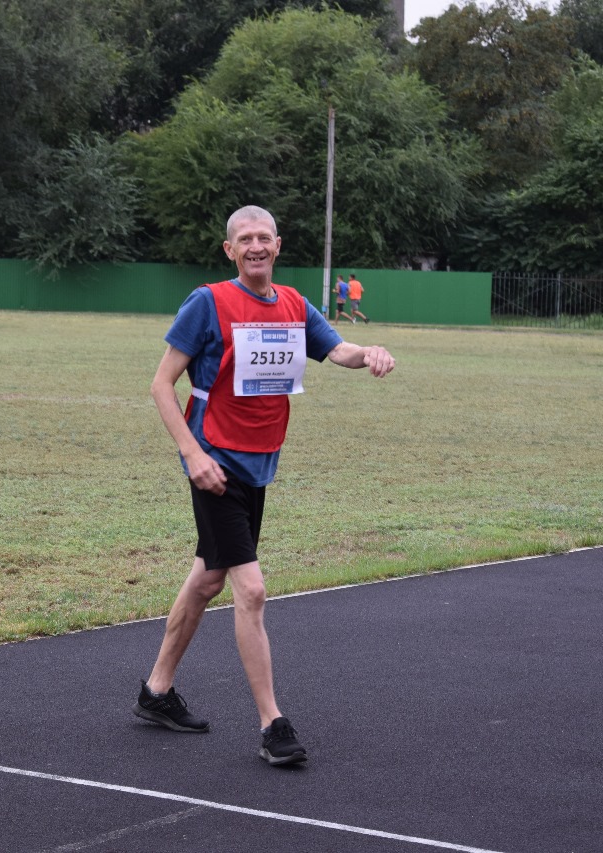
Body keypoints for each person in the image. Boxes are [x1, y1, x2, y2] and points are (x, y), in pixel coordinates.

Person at [134, 204, 394, 766]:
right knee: (249, 590)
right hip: (215, 467)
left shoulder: (295, 305)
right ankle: (273, 725)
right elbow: (160, 384)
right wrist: (192, 454)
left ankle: (155, 692)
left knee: (207, 579)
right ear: (230, 250)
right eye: (243, 238)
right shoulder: (208, 302)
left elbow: (337, 350)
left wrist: (368, 352)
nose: (255, 246)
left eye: (263, 238)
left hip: (260, 466)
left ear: (277, 246)